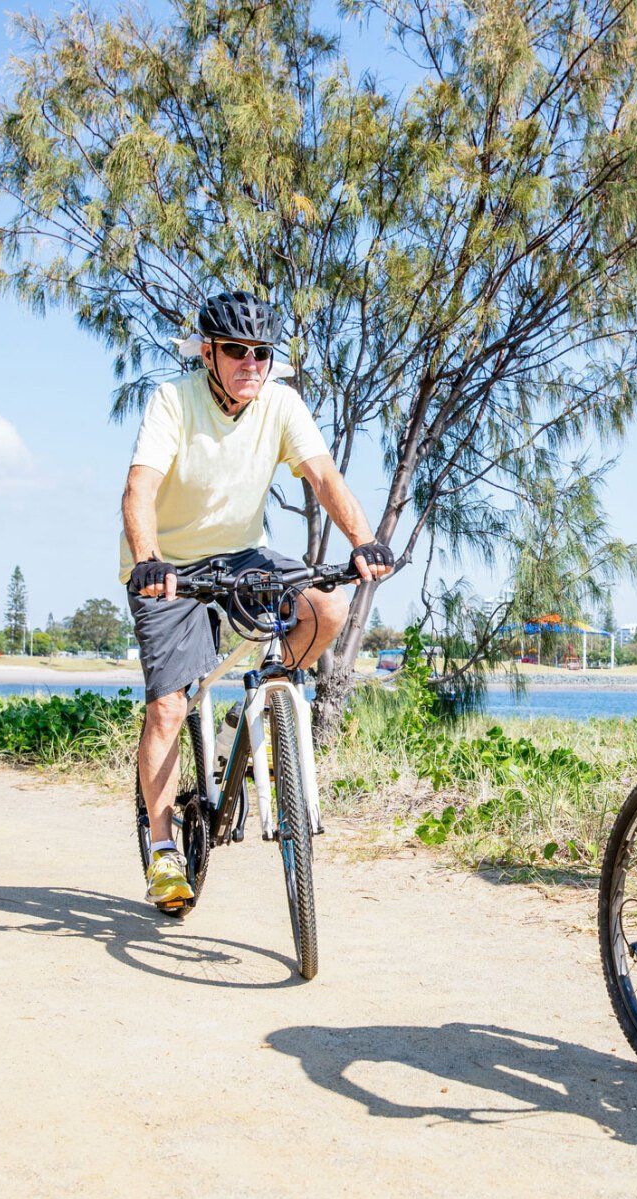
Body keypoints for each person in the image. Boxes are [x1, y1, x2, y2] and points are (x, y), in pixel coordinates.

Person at [121, 290, 394, 911]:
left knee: (326, 606)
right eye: (237, 352)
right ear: (208, 354)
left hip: (243, 554)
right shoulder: (173, 401)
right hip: (167, 565)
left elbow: (323, 475)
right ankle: (164, 851)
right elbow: (139, 487)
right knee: (167, 706)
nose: (251, 362)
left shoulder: (280, 402)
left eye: (261, 352)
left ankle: (259, 712)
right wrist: (146, 560)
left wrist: (365, 541)